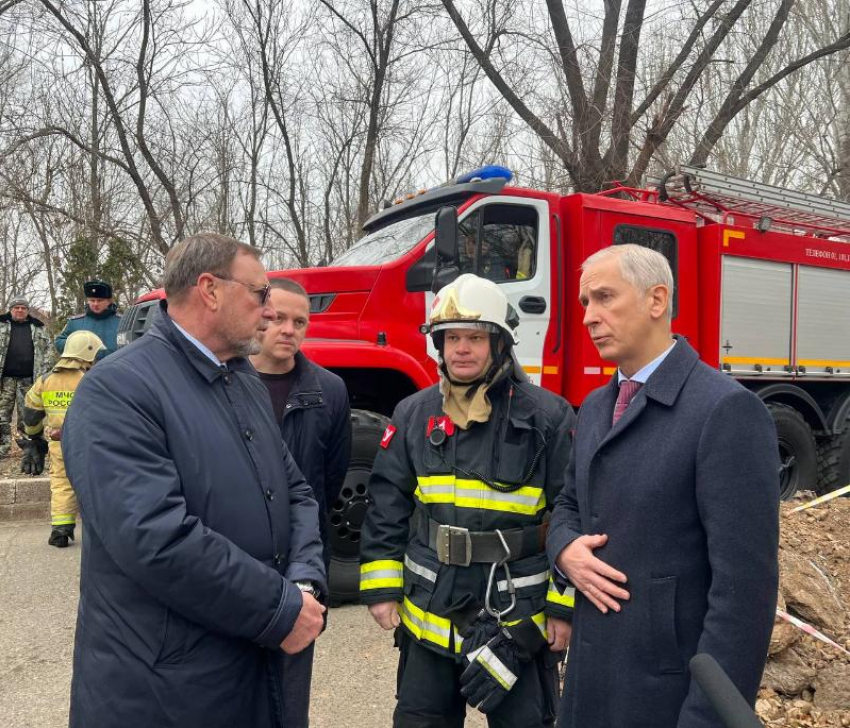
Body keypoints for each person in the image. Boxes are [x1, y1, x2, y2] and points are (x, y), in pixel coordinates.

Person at [61, 233, 327, 728]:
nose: (270, 313)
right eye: (260, 294)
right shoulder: (118, 389)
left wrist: (305, 582)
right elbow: (154, 538)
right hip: (166, 691)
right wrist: (279, 608)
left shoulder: (242, 379)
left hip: (251, 667)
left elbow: (296, 491)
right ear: (209, 290)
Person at [547, 244, 779, 728]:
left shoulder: (724, 411)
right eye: (585, 302)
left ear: (657, 300)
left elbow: (744, 594)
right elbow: (568, 504)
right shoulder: (592, 407)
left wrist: (707, 717)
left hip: (665, 699)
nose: (589, 317)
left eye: (605, 297)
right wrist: (565, 549)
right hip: (590, 687)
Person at [360, 273, 576, 728]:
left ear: (500, 343)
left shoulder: (549, 416)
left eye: (475, 337)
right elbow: (387, 502)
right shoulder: (414, 413)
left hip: (517, 621)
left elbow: (573, 514)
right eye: (452, 337)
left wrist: (562, 608)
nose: (461, 348)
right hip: (429, 614)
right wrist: (381, 587)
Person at [250, 276, 352, 727]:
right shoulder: (223, 383)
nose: (288, 329)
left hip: (299, 566)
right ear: (256, 317)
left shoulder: (329, 391)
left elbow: (330, 479)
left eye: (300, 322)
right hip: (237, 558)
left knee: (291, 694)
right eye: (276, 318)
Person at [21, 330, 105, 547]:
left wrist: (34, 437)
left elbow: (30, 413)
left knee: (60, 483)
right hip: (88, 444)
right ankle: (102, 531)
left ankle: (61, 530)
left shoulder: (45, 380)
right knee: (94, 484)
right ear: (86, 353)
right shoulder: (90, 379)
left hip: (59, 444)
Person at [0, 296, 52, 460]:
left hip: (29, 380)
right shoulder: (1, 326)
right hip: (5, 380)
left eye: (23, 308)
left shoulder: (38, 328)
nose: (20, 310)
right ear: (11, 309)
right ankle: (3, 447)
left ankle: (30, 448)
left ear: (27, 311)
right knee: (1, 415)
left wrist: (44, 375)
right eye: (17, 308)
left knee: (28, 416)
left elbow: (48, 353)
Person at [55, 280, 121, 360]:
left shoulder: (122, 322)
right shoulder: (75, 323)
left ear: (108, 301)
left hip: (115, 369)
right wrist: (78, 343)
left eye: (100, 300)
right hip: (84, 370)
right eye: (92, 300)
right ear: (88, 301)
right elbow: (59, 343)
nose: (95, 304)